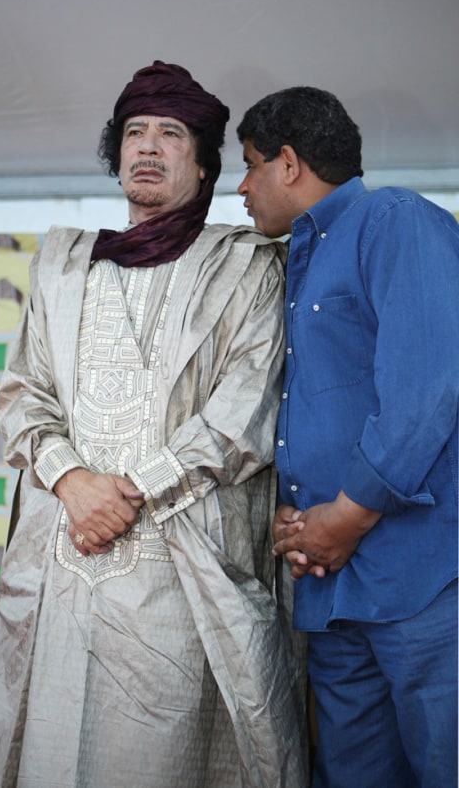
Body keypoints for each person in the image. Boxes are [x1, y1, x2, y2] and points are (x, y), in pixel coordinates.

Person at [0, 62, 308, 788]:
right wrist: (76, 483)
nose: (147, 147)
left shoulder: (249, 266)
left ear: (207, 164)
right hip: (64, 572)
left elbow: (246, 411)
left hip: (184, 579)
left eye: (171, 133)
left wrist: (131, 491)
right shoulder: (62, 263)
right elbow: (23, 397)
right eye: (135, 132)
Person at [236, 86, 459, 788]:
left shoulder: (393, 219)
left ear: (291, 163)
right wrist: (299, 514)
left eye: (249, 165)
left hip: (422, 584)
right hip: (332, 591)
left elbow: (427, 392)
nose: (239, 187)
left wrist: (350, 512)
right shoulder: (294, 262)